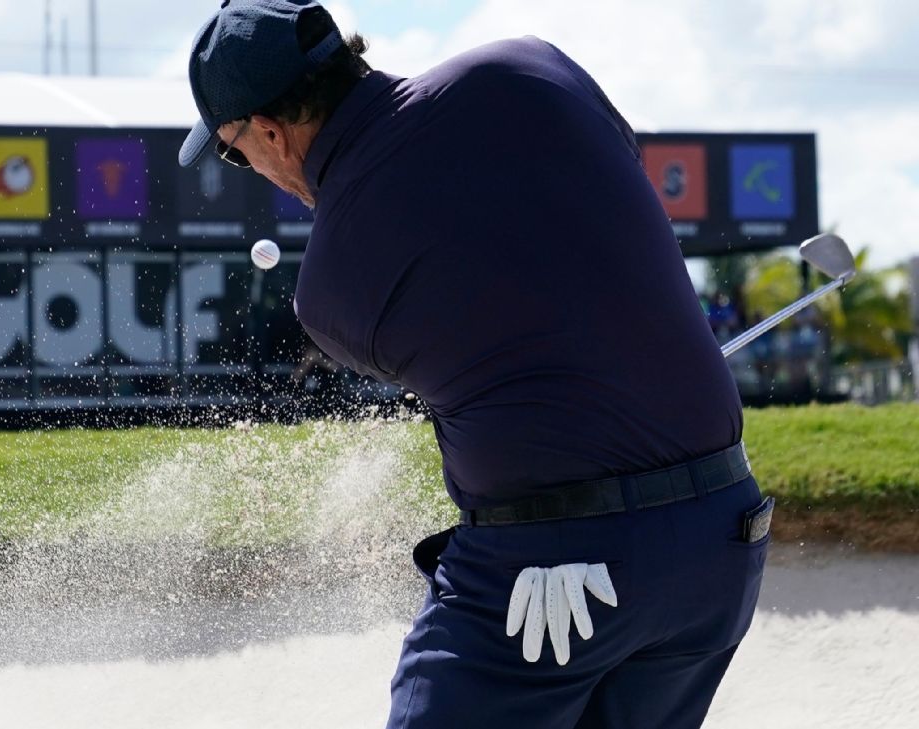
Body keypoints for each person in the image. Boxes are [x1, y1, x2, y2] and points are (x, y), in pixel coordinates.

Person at [179, 2, 771, 728]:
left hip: (556, 572)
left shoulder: (331, 288)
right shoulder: (529, 65)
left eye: (235, 152)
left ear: (270, 131)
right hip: (725, 540)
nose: (250, 168)